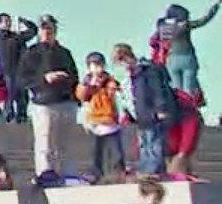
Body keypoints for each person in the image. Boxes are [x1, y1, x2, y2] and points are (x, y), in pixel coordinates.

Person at [17, 16, 79, 179]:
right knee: (45, 142)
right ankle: (45, 173)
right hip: (43, 103)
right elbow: (22, 79)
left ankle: (67, 174)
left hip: (65, 101)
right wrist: (44, 78)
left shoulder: (65, 53)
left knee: (65, 143)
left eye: (50, 29)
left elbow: (74, 76)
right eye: (44, 29)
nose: (47, 32)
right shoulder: (31, 52)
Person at [113, 44, 182, 180]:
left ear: (127, 57)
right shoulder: (131, 75)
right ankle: (146, 168)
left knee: (154, 142)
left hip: (152, 112)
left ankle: (154, 169)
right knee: (145, 143)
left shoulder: (147, 70)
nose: (123, 66)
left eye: (122, 62)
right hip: (141, 115)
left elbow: (157, 90)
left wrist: (161, 108)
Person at [154, 0, 221, 100]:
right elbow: (204, 20)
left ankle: (182, 112)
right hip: (187, 58)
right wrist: (216, 6)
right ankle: (191, 110)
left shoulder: (161, 26)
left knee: (177, 91)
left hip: (171, 59)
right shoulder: (185, 25)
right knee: (189, 90)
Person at [79, 53, 127, 182]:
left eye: (99, 65)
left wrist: (109, 85)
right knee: (96, 153)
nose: (97, 68)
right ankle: (96, 174)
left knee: (116, 152)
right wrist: (90, 85)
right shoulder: (86, 82)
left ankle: (119, 173)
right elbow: (82, 96)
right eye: (94, 65)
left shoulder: (109, 80)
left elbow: (116, 90)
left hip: (109, 121)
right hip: (94, 122)